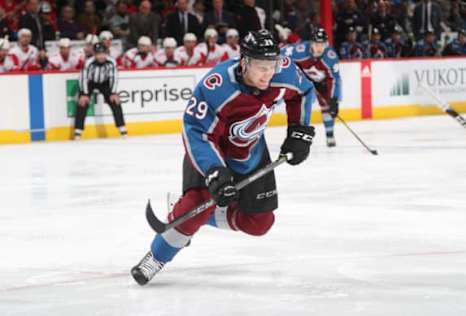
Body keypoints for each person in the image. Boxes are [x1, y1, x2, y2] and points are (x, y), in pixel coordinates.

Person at [130, 29, 317, 285]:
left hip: (251, 152)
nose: (269, 73)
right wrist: (215, 172)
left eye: (272, 65)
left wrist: (300, 130)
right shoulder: (216, 87)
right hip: (213, 152)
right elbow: (196, 132)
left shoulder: (282, 70)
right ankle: (157, 257)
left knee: (260, 223)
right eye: (262, 67)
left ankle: (202, 215)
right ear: (245, 62)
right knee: (197, 202)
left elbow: (305, 91)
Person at [282, 27, 341, 147]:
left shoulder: (331, 57)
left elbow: (335, 79)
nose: (319, 47)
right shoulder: (300, 51)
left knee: (327, 108)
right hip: (304, 81)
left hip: (322, 83)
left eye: (322, 44)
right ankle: (298, 132)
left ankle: (330, 136)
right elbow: (282, 54)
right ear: (311, 44)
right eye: (316, 44)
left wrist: (334, 99)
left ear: (326, 44)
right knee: (298, 103)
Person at [74, 42, 127, 140]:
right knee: (82, 103)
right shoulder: (88, 62)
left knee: (115, 102)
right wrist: (84, 94)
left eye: (103, 53)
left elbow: (114, 77)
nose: (101, 56)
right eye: (98, 54)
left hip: (104, 83)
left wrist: (113, 92)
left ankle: (122, 129)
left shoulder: (112, 62)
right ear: (94, 54)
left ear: (106, 53)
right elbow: (83, 78)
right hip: (90, 82)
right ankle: (78, 131)